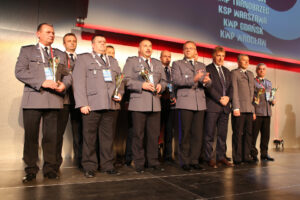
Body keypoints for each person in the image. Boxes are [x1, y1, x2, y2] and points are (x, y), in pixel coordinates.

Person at [15, 23, 71, 182]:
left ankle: (50, 169)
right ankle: (31, 169)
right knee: (31, 137)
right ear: (38, 34)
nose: (51, 35)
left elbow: (68, 75)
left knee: (51, 137)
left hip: (54, 100)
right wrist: (42, 82)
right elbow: (19, 72)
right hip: (33, 98)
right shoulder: (27, 50)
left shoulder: (60, 53)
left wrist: (64, 85)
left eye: (53, 33)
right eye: (48, 32)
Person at [72, 34, 122, 178]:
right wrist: (82, 103)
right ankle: (89, 166)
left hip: (110, 105)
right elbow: (78, 82)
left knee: (107, 138)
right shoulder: (84, 59)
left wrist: (120, 93)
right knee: (90, 137)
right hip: (92, 105)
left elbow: (120, 81)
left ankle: (107, 165)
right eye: (99, 42)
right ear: (92, 45)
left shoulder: (112, 61)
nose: (103, 44)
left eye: (104, 42)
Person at [123, 39, 167, 173]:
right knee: (138, 135)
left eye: (150, 46)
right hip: (139, 103)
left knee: (153, 135)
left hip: (155, 104)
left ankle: (153, 161)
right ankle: (139, 163)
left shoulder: (157, 63)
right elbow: (126, 80)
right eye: (145, 46)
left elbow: (164, 80)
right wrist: (141, 85)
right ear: (139, 48)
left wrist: (161, 86)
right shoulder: (132, 61)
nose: (148, 48)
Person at [172, 41, 211, 171]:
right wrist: (194, 79)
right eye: (186, 48)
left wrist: (206, 81)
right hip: (185, 103)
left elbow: (208, 84)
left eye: (191, 48)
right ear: (183, 51)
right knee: (185, 133)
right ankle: (185, 161)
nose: (189, 50)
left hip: (200, 103)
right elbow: (177, 81)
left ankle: (194, 160)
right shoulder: (177, 64)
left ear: (195, 51)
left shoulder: (202, 65)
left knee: (197, 134)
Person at [56, 33, 83, 171]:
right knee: (58, 132)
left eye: (74, 41)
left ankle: (80, 161)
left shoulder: (82, 59)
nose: (72, 43)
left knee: (79, 132)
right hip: (63, 100)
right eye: (69, 41)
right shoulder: (59, 58)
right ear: (64, 43)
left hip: (78, 101)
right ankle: (55, 163)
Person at [204, 46, 233, 168]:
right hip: (213, 106)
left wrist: (228, 98)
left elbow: (231, 88)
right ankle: (209, 158)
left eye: (222, 56)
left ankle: (221, 157)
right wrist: (220, 98)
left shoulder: (227, 71)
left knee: (222, 134)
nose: (221, 58)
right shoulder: (207, 69)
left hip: (225, 108)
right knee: (209, 134)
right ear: (213, 56)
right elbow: (208, 87)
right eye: (218, 55)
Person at [231, 54, 255, 165]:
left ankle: (246, 156)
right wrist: (235, 107)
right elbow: (234, 91)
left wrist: (253, 110)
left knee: (248, 133)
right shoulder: (234, 73)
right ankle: (237, 157)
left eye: (247, 61)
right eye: (243, 60)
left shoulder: (250, 74)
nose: (246, 62)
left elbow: (252, 94)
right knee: (238, 133)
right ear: (238, 62)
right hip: (239, 108)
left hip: (249, 109)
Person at [251, 63, 275, 161]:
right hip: (257, 112)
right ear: (256, 71)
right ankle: (253, 154)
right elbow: (251, 96)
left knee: (266, 135)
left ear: (265, 71)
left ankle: (264, 154)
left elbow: (271, 96)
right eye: (260, 69)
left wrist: (273, 100)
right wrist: (253, 111)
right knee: (253, 135)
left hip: (267, 112)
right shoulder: (253, 82)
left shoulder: (269, 83)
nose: (261, 71)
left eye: (263, 69)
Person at [160, 50, 176, 162]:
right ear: (160, 58)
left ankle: (168, 156)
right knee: (156, 130)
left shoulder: (173, 71)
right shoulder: (157, 69)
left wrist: (174, 96)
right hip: (159, 102)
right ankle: (155, 154)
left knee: (169, 131)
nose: (167, 58)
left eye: (169, 56)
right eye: (165, 56)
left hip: (171, 103)